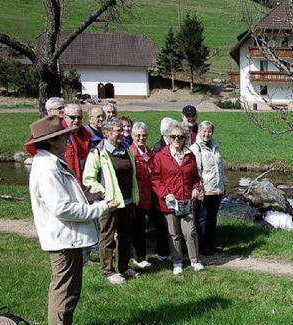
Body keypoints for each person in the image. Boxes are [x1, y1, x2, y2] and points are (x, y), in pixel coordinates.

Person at [27, 115, 117, 325]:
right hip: (62, 238)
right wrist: (101, 208)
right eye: (63, 135)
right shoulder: (47, 170)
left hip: (66, 237)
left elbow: (64, 201)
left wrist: (89, 198)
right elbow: (62, 208)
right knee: (64, 291)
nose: (68, 139)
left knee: (69, 289)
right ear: (53, 140)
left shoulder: (51, 164)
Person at [83, 118, 140, 284]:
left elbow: (132, 176)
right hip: (109, 203)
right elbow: (88, 180)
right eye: (118, 131)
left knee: (125, 236)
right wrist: (105, 194)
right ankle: (108, 270)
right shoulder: (97, 153)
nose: (122, 133)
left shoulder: (126, 151)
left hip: (127, 201)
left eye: (122, 130)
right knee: (107, 236)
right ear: (107, 133)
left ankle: (123, 266)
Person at [152, 122, 204, 275]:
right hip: (170, 202)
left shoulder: (190, 155)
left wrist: (196, 188)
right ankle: (177, 261)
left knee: (190, 232)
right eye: (173, 136)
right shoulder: (161, 156)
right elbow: (155, 180)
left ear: (184, 139)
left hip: (187, 201)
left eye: (180, 137)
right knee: (173, 233)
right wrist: (164, 193)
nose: (176, 139)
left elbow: (195, 177)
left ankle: (195, 260)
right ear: (168, 138)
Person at [129, 121, 170, 268]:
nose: (141, 138)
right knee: (138, 229)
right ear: (133, 136)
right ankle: (139, 258)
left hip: (153, 196)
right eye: (138, 135)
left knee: (161, 224)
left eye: (144, 135)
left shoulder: (151, 153)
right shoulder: (130, 153)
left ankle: (162, 253)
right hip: (138, 197)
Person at [189, 120, 228, 256]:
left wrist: (224, 183)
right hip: (205, 189)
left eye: (209, 131)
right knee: (203, 218)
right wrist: (199, 188)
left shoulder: (215, 145)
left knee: (212, 218)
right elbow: (196, 170)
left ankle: (211, 243)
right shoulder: (196, 148)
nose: (207, 134)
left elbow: (220, 167)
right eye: (204, 131)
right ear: (199, 132)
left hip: (217, 188)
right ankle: (202, 246)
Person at [61, 103, 92, 184]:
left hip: (84, 180)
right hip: (67, 181)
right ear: (64, 117)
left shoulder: (87, 135)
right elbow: (30, 147)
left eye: (79, 117)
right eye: (72, 117)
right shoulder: (59, 134)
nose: (76, 120)